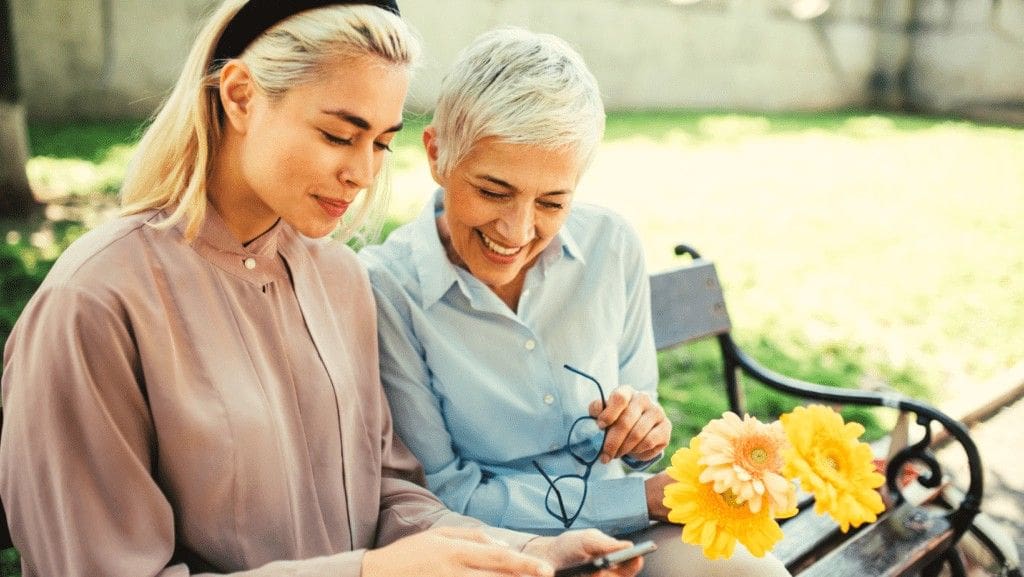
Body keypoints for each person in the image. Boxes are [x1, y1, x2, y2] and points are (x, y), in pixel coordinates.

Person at [0, 3, 643, 576]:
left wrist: (520, 554)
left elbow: (391, 497)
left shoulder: (339, 280)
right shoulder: (94, 304)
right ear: (242, 96)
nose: (362, 173)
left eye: (381, 144)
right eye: (339, 135)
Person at [360, 28, 792, 576]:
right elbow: (443, 492)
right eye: (493, 191)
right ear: (437, 153)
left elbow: (639, 443)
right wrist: (639, 499)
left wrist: (642, 432)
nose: (516, 231)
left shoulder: (612, 245)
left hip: (628, 539)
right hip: (496, 552)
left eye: (552, 201)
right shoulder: (387, 288)